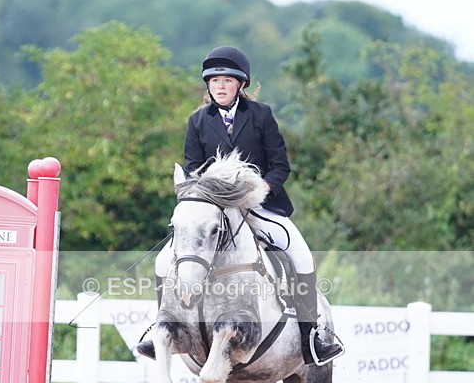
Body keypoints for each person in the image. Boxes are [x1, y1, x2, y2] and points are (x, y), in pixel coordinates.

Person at [137, 45, 343, 365]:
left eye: (227, 80)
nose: (220, 86)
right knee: (164, 261)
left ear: (241, 85)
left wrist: (264, 186)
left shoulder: (261, 115)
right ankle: (165, 326)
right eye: (214, 80)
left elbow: (280, 165)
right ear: (208, 85)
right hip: (214, 210)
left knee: (300, 254)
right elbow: (193, 169)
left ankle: (312, 334)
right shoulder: (198, 121)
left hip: (260, 207)